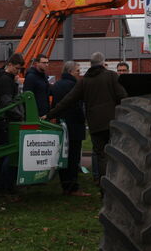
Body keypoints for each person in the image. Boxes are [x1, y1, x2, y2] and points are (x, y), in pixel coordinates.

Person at [43, 51, 127, 186]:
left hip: (95, 125)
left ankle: (104, 186)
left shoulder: (84, 81)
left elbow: (67, 100)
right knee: (116, 153)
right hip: (112, 122)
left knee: (101, 155)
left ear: (90, 64)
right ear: (103, 63)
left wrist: (49, 115)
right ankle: (118, 183)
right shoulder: (111, 76)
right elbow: (122, 96)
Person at [51, 61, 90, 196]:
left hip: (62, 125)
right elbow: (78, 106)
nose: (79, 74)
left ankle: (65, 185)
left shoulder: (57, 85)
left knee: (64, 156)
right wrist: (83, 118)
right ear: (70, 72)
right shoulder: (74, 85)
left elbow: (55, 104)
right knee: (73, 158)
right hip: (74, 126)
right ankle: (73, 187)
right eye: (78, 71)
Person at [0, 52, 25, 193]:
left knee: (3, 156)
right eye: (17, 68)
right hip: (8, 121)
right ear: (10, 65)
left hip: (5, 121)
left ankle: (2, 186)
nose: (18, 71)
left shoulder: (4, 78)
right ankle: (5, 187)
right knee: (9, 154)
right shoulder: (6, 81)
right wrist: (19, 116)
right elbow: (8, 102)